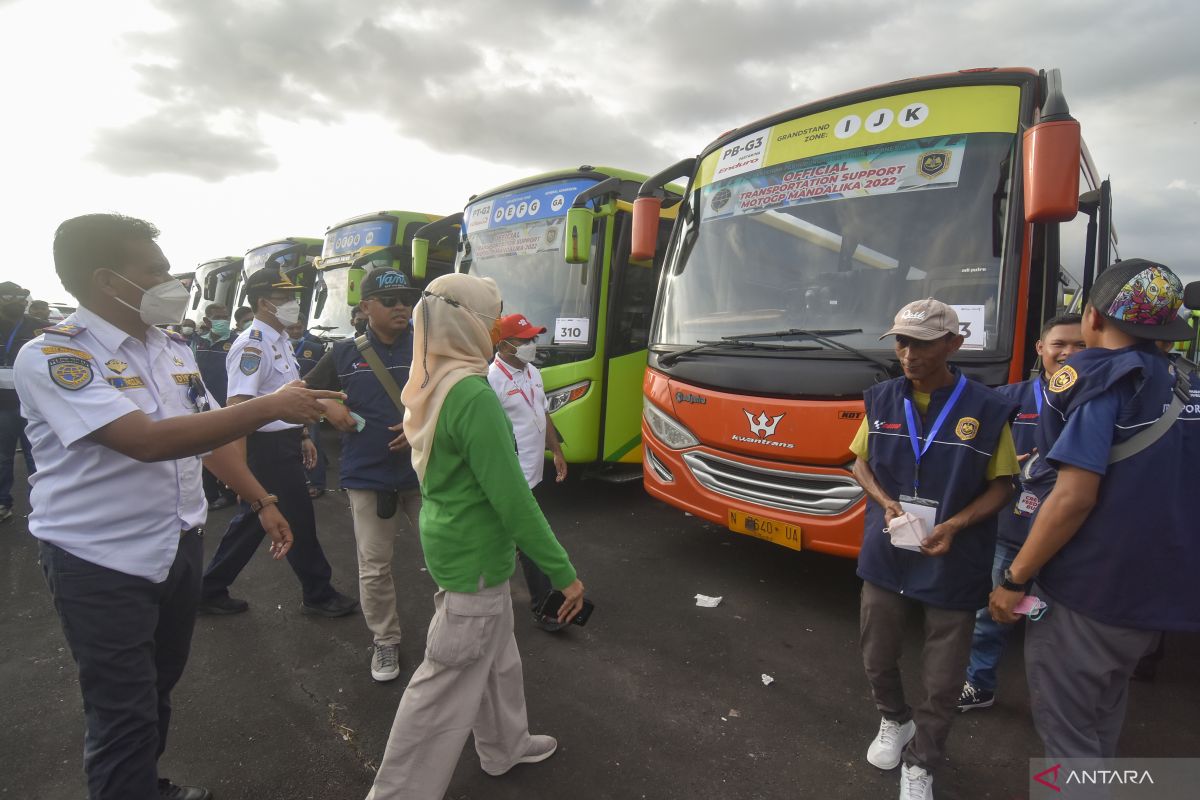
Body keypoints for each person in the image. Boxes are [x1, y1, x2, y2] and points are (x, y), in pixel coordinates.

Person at [15, 213, 341, 800]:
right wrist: (270, 405)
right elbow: (145, 441)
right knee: (122, 711)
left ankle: (145, 784)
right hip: (100, 561)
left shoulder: (171, 350)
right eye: (157, 271)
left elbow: (208, 435)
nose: (174, 282)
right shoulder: (56, 356)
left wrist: (260, 498)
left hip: (178, 545)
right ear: (108, 280)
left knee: (157, 688)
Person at [365, 273, 585, 800]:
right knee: (445, 681)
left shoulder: (431, 375)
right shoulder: (473, 393)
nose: (498, 326)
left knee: (499, 659)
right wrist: (564, 574)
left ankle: (505, 745)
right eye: (491, 316)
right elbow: (513, 499)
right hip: (476, 556)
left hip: (454, 540)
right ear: (468, 322)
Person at [989, 260, 1200, 761]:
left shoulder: (1099, 379)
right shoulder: (1182, 384)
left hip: (1089, 591)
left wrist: (1015, 580)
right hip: (1153, 597)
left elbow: (1073, 495)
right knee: (1104, 709)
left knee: (1067, 739)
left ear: (1092, 317)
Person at [850, 298, 1018, 800]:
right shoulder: (882, 399)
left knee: (943, 678)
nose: (909, 354)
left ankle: (923, 760)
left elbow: (1003, 485)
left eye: (922, 343)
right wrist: (885, 504)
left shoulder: (987, 409)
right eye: (902, 342)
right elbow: (859, 464)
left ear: (953, 344)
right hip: (888, 548)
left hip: (952, 553)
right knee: (877, 653)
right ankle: (893, 721)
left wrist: (956, 523)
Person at [198, 267, 359, 618]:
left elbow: (289, 395)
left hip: (282, 442)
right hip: (263, 450)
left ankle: (209, 588)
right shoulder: (252, 344)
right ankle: (318, 593)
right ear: (262, 302)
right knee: (296, 518)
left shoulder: (280, 341)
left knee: (254, 520)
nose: (293, 304)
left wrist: (302, 435)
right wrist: (238, 471)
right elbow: (238, 408)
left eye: (294, 296)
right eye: (285, 298)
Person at [957, 314, 1085, 712]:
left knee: (1062, 627)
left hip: (1073, 539)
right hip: (1011, 533)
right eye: (1060, 343)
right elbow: (968, 457)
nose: (1068, 353)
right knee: (991, 614)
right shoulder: (1005, 400)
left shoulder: (1101, 402)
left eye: (1081, 346)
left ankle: (1058, 704)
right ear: (1040, 348)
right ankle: (980, 684)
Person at [305, 268, 421, 682]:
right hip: (367, 476)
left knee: (446, 558)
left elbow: (451, 396)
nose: (401, 307)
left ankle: (454, 632)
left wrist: (418, 427)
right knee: (374, 566)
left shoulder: (427, 345)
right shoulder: (341, 353)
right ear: (365, 306)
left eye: (406, 299)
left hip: (425, 473)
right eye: (389, 300)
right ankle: (385, 641)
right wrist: (325, 407)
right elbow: (302, 392)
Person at [486, 313, 569, 630]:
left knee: (515, 540)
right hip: (510, 477)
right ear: (505, 344)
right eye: (524, 340)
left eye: (533, 339)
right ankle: (545, 607)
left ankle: (493, 597)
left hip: (532, 474)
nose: (532, 345)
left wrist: (557, 451)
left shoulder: (533, 371)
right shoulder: (491, 379)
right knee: (532, 541)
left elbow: (543, 414)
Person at [0, 280, 40, 523]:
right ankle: (3, 502)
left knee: (36, 457)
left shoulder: (39, 328)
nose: (16, 302)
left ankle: (43, 504)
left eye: (19, 297)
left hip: (32, 405)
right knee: (2, 457)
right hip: (2, 405)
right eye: (9, 297)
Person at [194, 303, 237, 509]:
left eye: (226, 316)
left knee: (226, 449)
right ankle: (209, 494)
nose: (224, 321)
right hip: (201, 404)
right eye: (219, 317)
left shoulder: (235, 341)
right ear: (207, 321)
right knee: (203, 450)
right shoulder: (196, 342)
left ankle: (229, 493)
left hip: (227, 403)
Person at [287, 317, 329, 497]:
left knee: (313, 440)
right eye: (291, 328)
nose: (296, 332)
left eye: (298, 327)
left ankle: (316, 482)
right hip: (285, 402)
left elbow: (324, 377)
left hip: (309, 401)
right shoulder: (281, 347)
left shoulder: (316, 348)